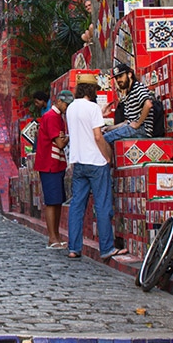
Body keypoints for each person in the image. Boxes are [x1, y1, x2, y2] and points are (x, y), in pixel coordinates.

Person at [65, 75, 125, 260]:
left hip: (79, 162)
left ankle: (74, 248)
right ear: (92, 90)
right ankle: (106, 247)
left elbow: (82, 126)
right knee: (102, 205)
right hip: (96, 162)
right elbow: (98, 136)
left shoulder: (70, 108)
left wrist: (100, 112)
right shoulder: (92, 108)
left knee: (76, 205)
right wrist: (107, 155)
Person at [34, 90, 73, 249]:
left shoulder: (56, 117)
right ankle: (52, 238)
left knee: (57, 201)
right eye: (66, 104)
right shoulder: (51, 117)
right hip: (49, 164)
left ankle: (56, 236)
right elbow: (60, 143)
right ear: (59, 102)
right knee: (52, 201)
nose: (67, 107)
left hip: (55, 164)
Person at [102, 64, 154, 144]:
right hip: (133, 128)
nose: (118, 80)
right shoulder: (128, 94)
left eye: (121, 76)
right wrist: (110, 128)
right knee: (105, 136)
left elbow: (148, 104)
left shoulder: (138, 87)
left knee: (104, 139)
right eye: (116, 78)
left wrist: (138, 123)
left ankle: (108, 157)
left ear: (129, 74)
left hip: (142, 129)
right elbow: (127, 122)